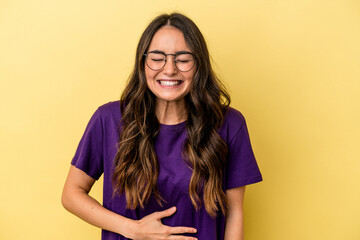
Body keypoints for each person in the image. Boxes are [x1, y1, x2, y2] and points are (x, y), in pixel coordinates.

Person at [61, 12, 262, 240]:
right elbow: (71, 194)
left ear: (199, 65)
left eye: (183, 59)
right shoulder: (108, 120)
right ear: (143, 62)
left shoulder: (229, 125)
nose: (169, 69)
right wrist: (133, 229)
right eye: (157, 58)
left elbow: (235, 212)